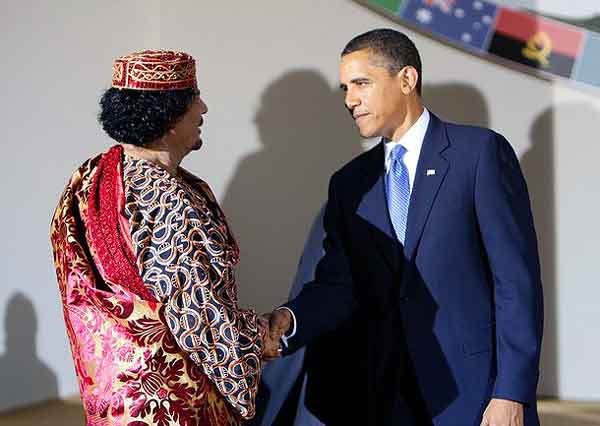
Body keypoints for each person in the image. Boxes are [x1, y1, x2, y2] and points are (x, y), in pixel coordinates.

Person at [263, 29, 544, 426]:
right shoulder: (350, 183)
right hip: (384, 399)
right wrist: (289, 321)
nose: (349, 100)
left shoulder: (477, 154)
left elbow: (516, 283)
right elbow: (339, 285)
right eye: (345, 88)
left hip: (476, 396)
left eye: (361, 83)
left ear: (407, 79)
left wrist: (510, 393)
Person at [50, 50, 276, 426]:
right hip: (175, 406)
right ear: (169, 116)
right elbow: (200, 317)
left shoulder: (90, 178)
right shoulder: (169, 198)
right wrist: (259, 336)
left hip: (114, 401)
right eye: (194, 98)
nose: (203, 108)